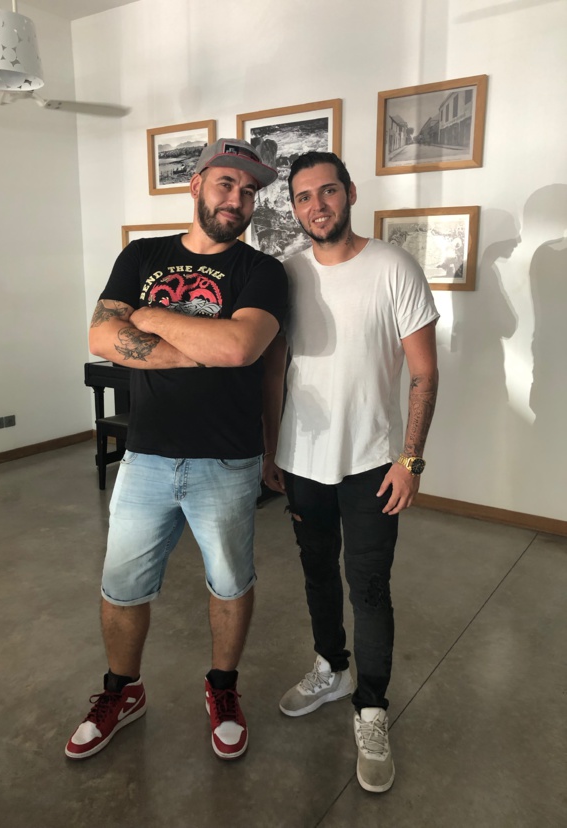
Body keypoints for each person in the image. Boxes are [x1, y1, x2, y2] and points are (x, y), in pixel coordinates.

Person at [66, 138, 287, 762]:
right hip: (147, 456)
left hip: (229, 458)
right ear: (196, 184)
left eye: (249, 191)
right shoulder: (142, 255)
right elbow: (102, 336)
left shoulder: (263, 272)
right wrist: (206, 347)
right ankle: (122, 690)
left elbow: (242, 350)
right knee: (122, 586)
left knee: (230, 582)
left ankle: (222, 688)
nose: (237, 199)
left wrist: (152, 317)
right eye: (226, 183)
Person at [262, 151, 439, 793]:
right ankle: (331, 669)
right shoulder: (287, 274)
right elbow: (275, 367)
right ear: (295, 207)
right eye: (304, 196)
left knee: (368, 587)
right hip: (302, 460)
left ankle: (371, 707)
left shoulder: (394, 267)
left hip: (372, 464)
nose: (317, 206)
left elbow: (424, 372)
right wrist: (270, 449)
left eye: (328, 191)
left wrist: (410, 459)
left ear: (351, 193)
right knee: (316, 573)